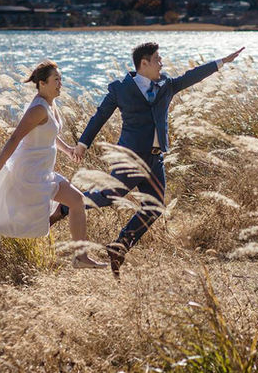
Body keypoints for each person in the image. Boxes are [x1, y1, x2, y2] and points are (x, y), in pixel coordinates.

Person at [55, 42, 244, 277]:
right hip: (130, 157)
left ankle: (120, 246)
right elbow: (100, 116)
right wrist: (82, 144)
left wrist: (221, 62)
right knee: (109, 198)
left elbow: (191, 76)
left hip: (156, 160)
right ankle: (66, 206)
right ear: (144, 63)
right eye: (158, 59)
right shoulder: (120, 88)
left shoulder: (167, 85)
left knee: (154, 207)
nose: (161, 63)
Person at [0, 60, 106, 268]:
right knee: (26, 224)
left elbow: (50, 133)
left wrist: (67, 149)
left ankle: (81, 257)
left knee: (76, 201)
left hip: (42, 172)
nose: (60, 84)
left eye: (61, 79)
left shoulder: (50, 104)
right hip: (29, 173)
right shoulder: (37, 110)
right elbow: (15, 138)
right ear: (42, 83)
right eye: (56, 80)